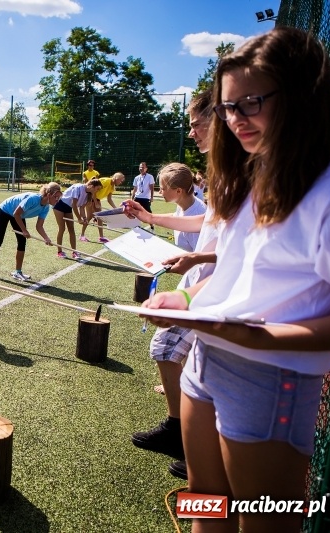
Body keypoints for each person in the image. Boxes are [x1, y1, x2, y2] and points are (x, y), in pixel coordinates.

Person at [143, 28, 330, 532]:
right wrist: (184, 297)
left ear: (302, 96)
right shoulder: (251, 177)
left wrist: (259, 336)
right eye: (228, 108)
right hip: (206, 360)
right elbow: (230, 275)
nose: (234, 121)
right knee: (203, 500)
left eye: (249, 103)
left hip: (271, 378)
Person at [127, 89, 217, 482]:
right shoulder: (224, 178)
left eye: (197, 123)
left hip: (213, 296)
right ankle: (193, 449)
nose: (192, 132)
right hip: (200, 288)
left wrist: (184, 291)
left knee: (176, 354)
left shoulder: (252, 175)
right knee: (192, 369)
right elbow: (210, 230)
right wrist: (150, 218)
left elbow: (240, 249)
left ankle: (202, 457)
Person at [0, 182, 62, 281]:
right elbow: (16, 213)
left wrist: (46, 238)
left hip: (19, 215)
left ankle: (18, 272)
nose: (57, 200)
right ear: (49, 195)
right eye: (56, 197)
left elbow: (39, 226)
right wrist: (24, 230)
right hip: (6, 210)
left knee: (22, 242)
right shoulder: (33, 199)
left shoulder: (46, 207)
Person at [53, 178, 102, 257]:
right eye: (97, 189)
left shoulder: (88, 195)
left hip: (68, 208)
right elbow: (74, 205)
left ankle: (74, 252)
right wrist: (79, 218)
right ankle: (60, 252)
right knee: (62, 229)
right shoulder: (78, 187)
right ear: (92, 186)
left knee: (71, 229)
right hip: (59, 206)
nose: (97, 191)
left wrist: (84, 218)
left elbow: (82, 208)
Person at [88, 172, 125, 243]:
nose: (121, 182)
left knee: (99, 217)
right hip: (91, 197)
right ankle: (82, 235)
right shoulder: (106, 181)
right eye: (120, 180)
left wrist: (115, 208)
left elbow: (109, 199)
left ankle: (101, 237)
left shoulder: (112, 187)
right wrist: (95, 202)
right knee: (90, 217)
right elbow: (94, 191)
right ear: (116, 178)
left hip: (97, 199)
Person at [131, 162, 155, 229]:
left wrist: (151, 197)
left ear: (146, 169)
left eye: (143, 167)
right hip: (137, 197)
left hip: (145, 198)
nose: (141, 168)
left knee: (148, 212)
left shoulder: (150, 177)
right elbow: (135, 189)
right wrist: (132, 198)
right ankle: (136, 226)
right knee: (134, 212)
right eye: (140, 167)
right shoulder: (136, 178)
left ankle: (151, 225)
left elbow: (152, 187)